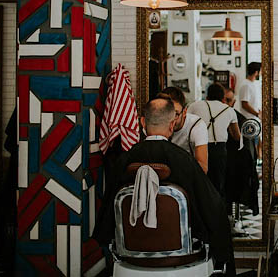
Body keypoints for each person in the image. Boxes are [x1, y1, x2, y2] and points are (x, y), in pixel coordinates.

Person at [94, 97, 235, 276]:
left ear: (142, 122)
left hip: (131, 253)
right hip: (181, 252)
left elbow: (107, 215)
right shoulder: (184, 162)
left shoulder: (124, 161)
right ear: (171, 125)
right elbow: (213, 209)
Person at [187, 83, 241, 195]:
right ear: (223, 98)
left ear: (207, 96)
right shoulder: (229, 110)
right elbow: (236, 136)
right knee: (217, 184)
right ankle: (217, 210)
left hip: (198, 146)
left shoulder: (194, 106)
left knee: (199, 182)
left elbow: (186, 125)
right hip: (219, 150)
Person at [158, 87, 209, 173]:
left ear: (184, 112)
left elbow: (203, 168)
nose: (171, 119)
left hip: (189, 173)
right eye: (166, 112)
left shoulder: (196, 126)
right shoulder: (156, 121)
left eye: (176, 114)